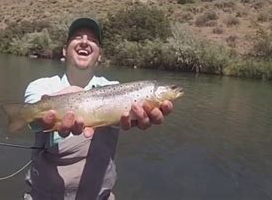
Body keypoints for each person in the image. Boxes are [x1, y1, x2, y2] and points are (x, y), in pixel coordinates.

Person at [22, 18, 174, 200]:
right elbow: (33, 122)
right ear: (64, 50)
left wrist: (136, 120)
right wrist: (59, 104)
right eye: (77, 37)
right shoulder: (41, 87)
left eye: (93, 40)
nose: (85, 42)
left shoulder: (115, 87)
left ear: (100, 54)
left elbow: (125, 117)